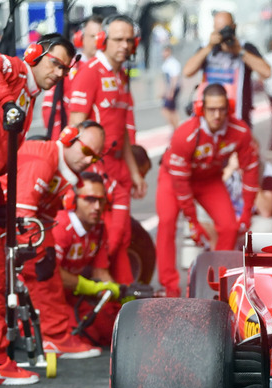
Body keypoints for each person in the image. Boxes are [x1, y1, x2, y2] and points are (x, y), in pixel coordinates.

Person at [0, 33, 75, 388]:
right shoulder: (13, 71)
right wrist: (4, 100)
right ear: (35, 54)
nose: (59, 73)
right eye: (55, 63)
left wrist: (0, 200)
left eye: (65, 69)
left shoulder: (28, 102)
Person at [0, 121, 106, 359]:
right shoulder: (43, 160)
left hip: (7, 222)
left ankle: (53, 337)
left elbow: (41, 219)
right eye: (87, 151)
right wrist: (37, 254)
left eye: (95, 157)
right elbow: (22, 216)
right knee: (14, 275)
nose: (89, 160)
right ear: (68, 137)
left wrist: (45, 251)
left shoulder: (64, 170)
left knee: (45, 267)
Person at [156, 83, 259, 297]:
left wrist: (247, 212)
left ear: (229, 109)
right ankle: (170, 287)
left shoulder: (240, 132)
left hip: (208, 179)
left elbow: (250, 171)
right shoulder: (184, 135)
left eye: (222, 109)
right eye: (211, 109)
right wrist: (193, 221)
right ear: (201, 109)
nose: (217, 115)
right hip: (174, 178)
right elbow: (181, 184)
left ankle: (216, 284)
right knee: (166, 222)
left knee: (230, 226)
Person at [68, 14, 147, 285]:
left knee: (122, 237)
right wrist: (87, 172)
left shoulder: (122, 75)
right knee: (108, 240)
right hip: (95, 169)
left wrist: (134, 173)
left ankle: (120, 301)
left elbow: (122, 130)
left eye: (129, 40)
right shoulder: (89, 73)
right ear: (102, 40)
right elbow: (74, 129)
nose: (124, 45)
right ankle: (92, 295)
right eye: (118, 39)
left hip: (118, 167)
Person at [54, 172, 120, 346]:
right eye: (90, 199)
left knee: (110, 332)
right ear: (72, 200)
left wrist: (118, 293)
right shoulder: (61, 227)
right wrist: (89, 287)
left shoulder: (99, 228)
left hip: (74, 296)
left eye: (101, 200)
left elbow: (101, 271)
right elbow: (51, 274)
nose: (97, 207)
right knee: (80, 337)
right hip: (50, 296)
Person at [181, 10, 270, 126]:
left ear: (234, 27)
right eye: (220, 30)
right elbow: (187, 72)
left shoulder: (245, 47)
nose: (224, 34)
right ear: (214, 29)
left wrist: (239, 51)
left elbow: (267, 72)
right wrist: (209, 47)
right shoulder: (206, 48)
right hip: (209, 120)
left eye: (227, 29)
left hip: (238, 118)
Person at [42, 14, 103, 138]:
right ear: (80, 38)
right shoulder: (67, 68)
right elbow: (50, 108)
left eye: (100, 37)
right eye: (92, 36)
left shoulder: (109, 69)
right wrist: (59, 142)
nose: (97, 41)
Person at [160, 44, 181, 128]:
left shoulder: (172, 63)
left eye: (165, 51)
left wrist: (171, 91)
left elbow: (174, 78)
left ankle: (175, 128)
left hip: (173, 88)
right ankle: (176, 128)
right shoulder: (167, 63)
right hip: (171, 88)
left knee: (166, 110)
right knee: (172, 110)